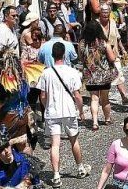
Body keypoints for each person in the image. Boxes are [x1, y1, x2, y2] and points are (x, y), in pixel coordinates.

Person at [36, 42, 89, 187]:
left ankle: (56, 176)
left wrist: (47, 106)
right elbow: (77, 95)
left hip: (52, 112)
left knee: (55, 144)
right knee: (74, 140)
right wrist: (81, 111)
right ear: (64, 55)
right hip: (68, 110)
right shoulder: (72, 72)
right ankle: (80, 168)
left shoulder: (46, 73)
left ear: (52, 56)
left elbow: (42, 96)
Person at [81, 22, 118, 130]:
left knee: (94, 98)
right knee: (105, 99)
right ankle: (107, 119)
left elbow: (81, 58)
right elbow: (112, 58)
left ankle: (95, 122)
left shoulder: (82, 44)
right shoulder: (103, 43)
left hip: (90, 76)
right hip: (104, 75)